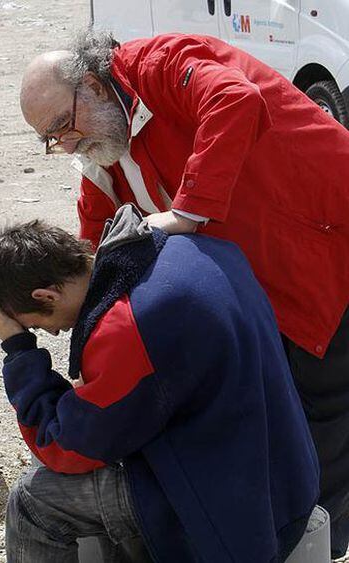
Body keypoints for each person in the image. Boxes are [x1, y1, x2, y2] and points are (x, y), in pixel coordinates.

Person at [19, 29, 349, 557]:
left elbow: (236, 98)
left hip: (323, 242)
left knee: (322, 409)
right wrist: (87, 327)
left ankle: (320, 544)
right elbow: (94, 239)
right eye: (50, 139)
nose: (63, 145)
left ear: (93, 86)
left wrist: (188, 209)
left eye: (62, 127)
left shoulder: (164, 64)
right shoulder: (105, 144)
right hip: (263, 277)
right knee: (279, 409)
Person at [0, 204, 319, 563]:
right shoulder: (180, 248)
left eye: (35, 326)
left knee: (35, 500)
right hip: (287, 472)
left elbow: (64, 447)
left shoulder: (129, 326)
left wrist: (18, 350)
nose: (54, 332)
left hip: (240, 511)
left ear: (46, 296)